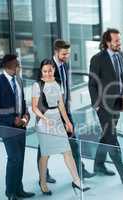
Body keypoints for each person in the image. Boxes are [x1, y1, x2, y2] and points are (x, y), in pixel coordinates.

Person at [36, 40, 95, 183]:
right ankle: (43, 175)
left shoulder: (65, 65)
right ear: (56, 52)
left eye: (68, 53)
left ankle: (80, 171)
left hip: (64, 111)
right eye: (64, 54)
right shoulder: (47, 67)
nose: (67, 56)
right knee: (44, 146)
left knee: (73, 141)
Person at [32, 59, 90, 195]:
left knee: (67, 151)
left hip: (57, 120)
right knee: (45, 154)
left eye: (50, 70)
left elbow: (61, 105)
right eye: (45, 71)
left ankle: (76, 180)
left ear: (53, 69)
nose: (47, 73)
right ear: (41, 71)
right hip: (44, 122)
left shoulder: (58, 83)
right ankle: (43, 182)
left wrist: (67, 122)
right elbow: (34, 107)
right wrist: (44, 118)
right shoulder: (37, 85)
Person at [88, 28, 123, 184]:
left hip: (119, 102)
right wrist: (96, 105)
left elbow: (122, 79)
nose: (119, 43)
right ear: (107, 42)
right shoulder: (97, 59)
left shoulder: (121, 56)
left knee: (106, 135)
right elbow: (92, 84)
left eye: (119, 40)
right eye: (116, 40)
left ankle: (98, 165)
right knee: (112, 138)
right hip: (103, 105)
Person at [0, 54, 35, 200]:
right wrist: (11, 120)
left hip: (21, 126)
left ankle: (18, 189)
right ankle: (10, 193)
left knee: (20, 158)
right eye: (17, 64)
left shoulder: (19, 80)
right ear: (8, 66)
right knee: (14, 158)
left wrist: (26, 115)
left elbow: (22, 101)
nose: (19, 67)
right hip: (6, 127)